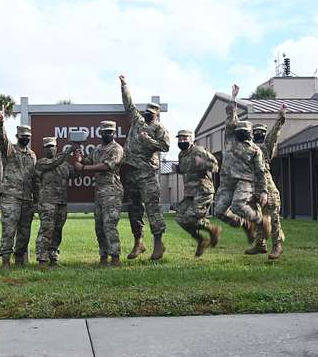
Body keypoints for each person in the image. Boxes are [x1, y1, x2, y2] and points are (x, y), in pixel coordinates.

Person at [214, 85, 271, 253]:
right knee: (219, 211)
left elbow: (260, 172)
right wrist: (233, 99)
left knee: (238, 206)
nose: (240, 133)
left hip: (245, 182)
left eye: (244, 131)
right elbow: (231, 116)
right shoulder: (230, 139)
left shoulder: (255, 150)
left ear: (250, 134)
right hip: (227, 181)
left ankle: (261, 220)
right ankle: (245, 223)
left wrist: (263, 192)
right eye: (238, 130)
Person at [119, 75, 170, 261]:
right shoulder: (137, 121)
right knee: (134, 209)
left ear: (156, 114)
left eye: (151, 112)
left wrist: (147, 140)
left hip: (147, 174)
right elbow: (129, 105)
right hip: (131, 171)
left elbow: (165, 147)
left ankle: (158, 243)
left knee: (152, 209)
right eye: (146, 111)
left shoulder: (159, 129)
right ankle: (139, 242)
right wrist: (124, 85)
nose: (147, 114)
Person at [74, 121, 124, 267]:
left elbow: (106, 166)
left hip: (112, 192)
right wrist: (78, 155)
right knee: (99, 227)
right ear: (100, 133)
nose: (107, 134)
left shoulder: (116, 149)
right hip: (99, 193)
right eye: (104, 132)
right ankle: (103, 256)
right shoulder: (98, 150)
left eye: (110, 132)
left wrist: (83, 167)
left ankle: (115, 258)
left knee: (110, 225)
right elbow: (86, 160)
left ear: (114, 133)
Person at [0, 110, 37, 269]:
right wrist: (0, 123)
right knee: (9, 229)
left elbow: (34, 178)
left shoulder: (32, 155)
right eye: (23, 136)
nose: (25, 138)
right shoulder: (9, 150)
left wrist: (36, 199)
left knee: (24, 232)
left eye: (28, 136)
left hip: (27, 199)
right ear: (17, 136)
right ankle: (5, 259)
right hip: (10, 197)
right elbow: (1, 138)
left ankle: (19, 259)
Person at [175, 129, 222, 257]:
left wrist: (203, 163)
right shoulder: (181, 155)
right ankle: (202, 239)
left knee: (190, 218)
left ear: (192, 140)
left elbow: (215, 166)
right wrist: (177, 169)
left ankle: (213, 230)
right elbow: (185, 170)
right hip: (189, 193)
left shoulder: (199, 151)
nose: (182, 141)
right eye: (180, 139)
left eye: (185, 139)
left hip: (203, 191)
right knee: (180, 219)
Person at [252, 104, 287, 259]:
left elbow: (274, 133)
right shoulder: (250, 147)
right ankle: (260, 244)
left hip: (267, 186)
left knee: (273, 217)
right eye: (256, 132)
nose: (258, 134)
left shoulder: (266, 146)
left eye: (261, 132)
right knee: (257, 217)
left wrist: (281, 116)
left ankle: (277, 245)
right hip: (254, 186)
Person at [34, 137, 74, 269]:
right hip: (47, 202)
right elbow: (53, 164)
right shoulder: (41, 163)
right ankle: (42, 260)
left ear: (57, 148)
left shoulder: (65, 165)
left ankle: (53, 258)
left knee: (58, 231)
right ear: (44, 149)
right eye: (47, 147)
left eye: (52, 146)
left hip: (61, 203)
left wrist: (79, 157)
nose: (50, 149)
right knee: (46, 230)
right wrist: (67, 152)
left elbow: (76, 172)